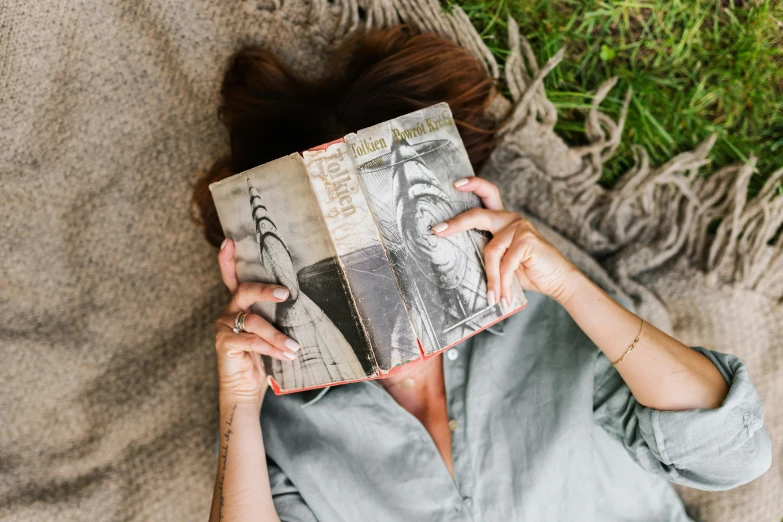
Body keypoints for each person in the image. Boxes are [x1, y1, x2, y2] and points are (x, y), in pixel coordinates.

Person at [192, 25, 772, 522]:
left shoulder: (559, 332)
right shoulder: (284, 431)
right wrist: (238, 401)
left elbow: (732, 455)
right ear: (242, 266)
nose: (373, 288)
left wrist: (568, 284)